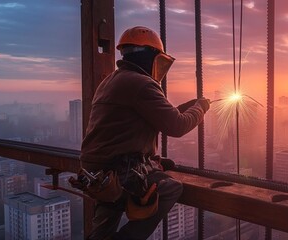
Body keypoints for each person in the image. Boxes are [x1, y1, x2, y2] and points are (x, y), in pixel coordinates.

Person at [79, 26, 210, 240]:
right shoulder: (142, 83)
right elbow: (176, 126)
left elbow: (139, 123)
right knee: (170, 188)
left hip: (96, 172)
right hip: (118, 172)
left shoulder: (112, 80)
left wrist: (151, 161)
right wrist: (201, 107)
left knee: (102, 230)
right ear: (152, 57)